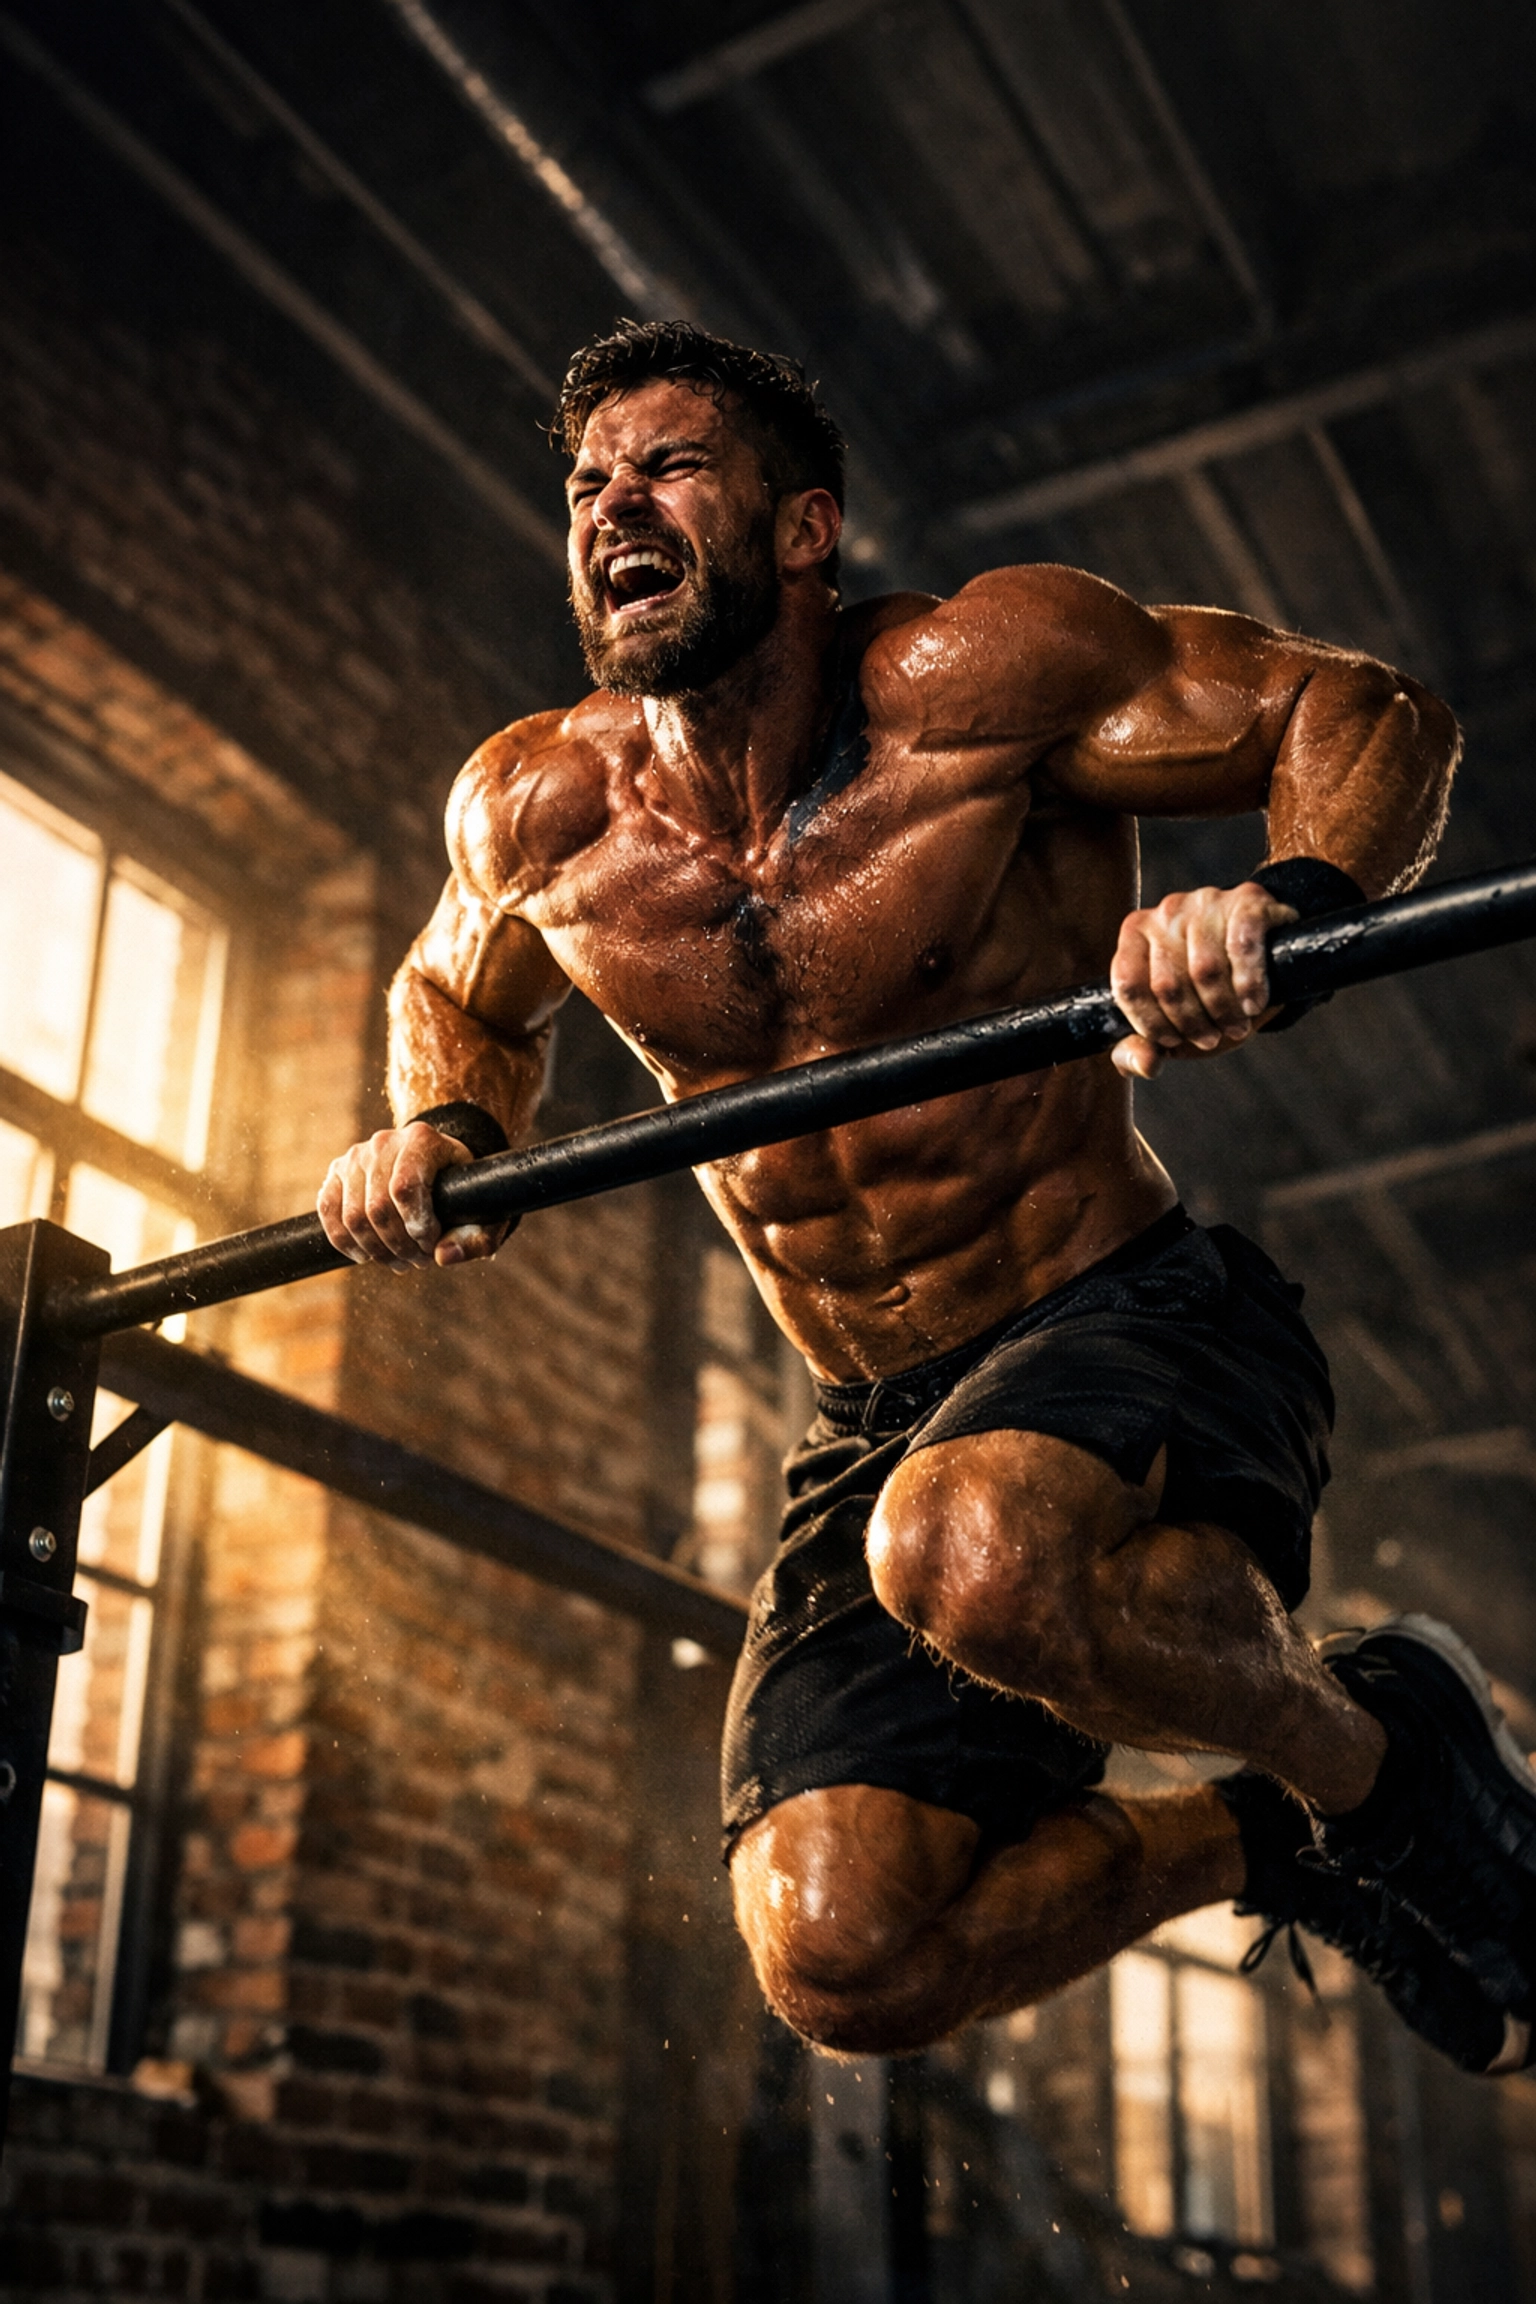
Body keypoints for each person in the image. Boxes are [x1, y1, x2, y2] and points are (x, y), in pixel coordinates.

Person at [318, 318, 1536, 2077]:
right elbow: (454, 996)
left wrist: (1289, 895)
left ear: (802, 529)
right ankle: (1264, 1830)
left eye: (666, 466)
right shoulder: (538, 810)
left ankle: (1379, 1782)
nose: (609, 507)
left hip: (1130, 1314)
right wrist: (434, 1127)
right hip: (870, 1408)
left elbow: (1360, 711)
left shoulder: (982, 676)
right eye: (586, 482)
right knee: (845, 1963)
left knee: (964, 1550)